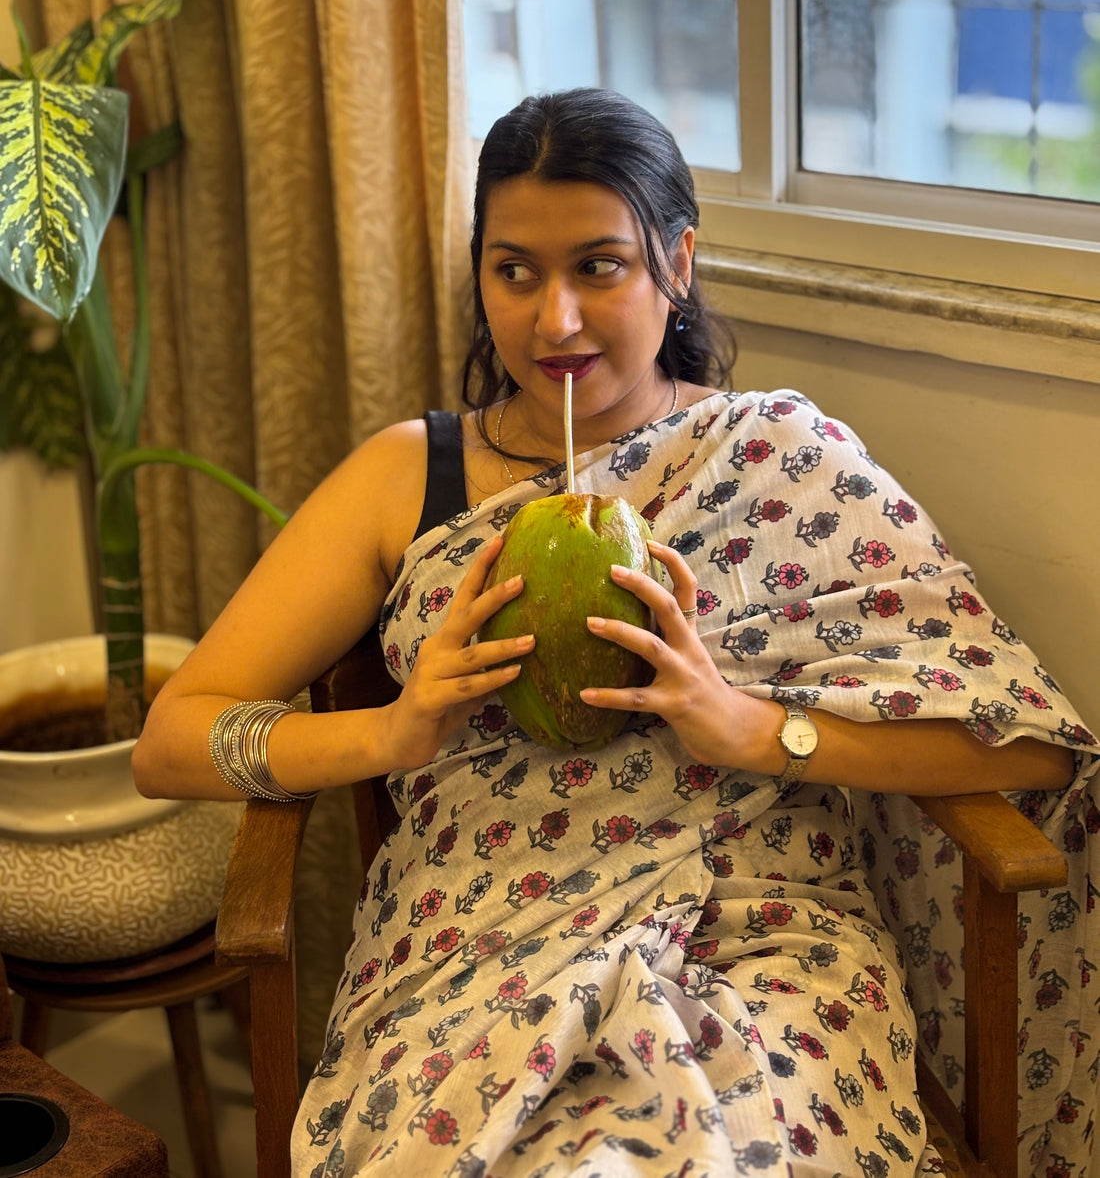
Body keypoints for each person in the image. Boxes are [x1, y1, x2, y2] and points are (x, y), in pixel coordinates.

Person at [133, 89, 1097, 1178]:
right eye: (514, 272)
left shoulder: (777, 459)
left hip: (758, 934)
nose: (553, 321)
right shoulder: (406, 476)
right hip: (475, 943)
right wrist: (392, 736)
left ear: (674, 262)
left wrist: (747, 730)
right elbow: (172, 741)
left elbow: (1026, 746)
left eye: (598, 266)